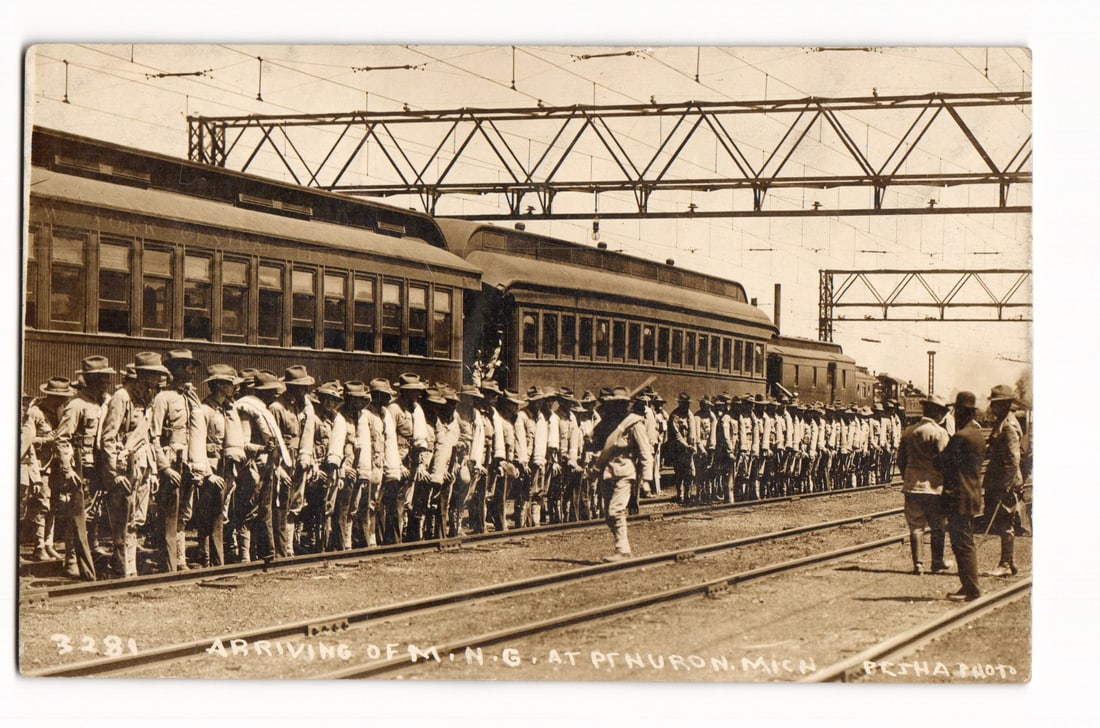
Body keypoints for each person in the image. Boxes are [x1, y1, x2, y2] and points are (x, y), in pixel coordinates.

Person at [98, 354, 166, 576]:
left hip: (144, 464)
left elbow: (148, 437)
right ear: (145, 375)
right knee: (123, 520)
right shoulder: (122, 397)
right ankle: (123, 568)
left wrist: (154, 471)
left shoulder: (147, 398)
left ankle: (131, 568)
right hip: (125, 466)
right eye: (156, 375)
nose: (159, 380)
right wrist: (114, 472)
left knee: (138, 518)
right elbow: (108, 438)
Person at [54, 356, 117, 580]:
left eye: (107, 380)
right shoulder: (77, 404)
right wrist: (67, 469)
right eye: (101, 380)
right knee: (77, 513)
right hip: (82, 467)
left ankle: (88, 554)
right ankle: (71, 559)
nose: (106, 384)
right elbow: (62, 439)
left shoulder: (104, 403)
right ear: (90, 380)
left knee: (94, 514)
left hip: (100, 466)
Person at [149, 349, 204, 571]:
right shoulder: (163, 398)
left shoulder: (190, 397)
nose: (191, 371)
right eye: (187, 366)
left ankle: (179, 559)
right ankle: (168, 561)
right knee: (169, 512)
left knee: (184, 512)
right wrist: (163, 466)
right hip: (171, 461)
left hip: (187, 461)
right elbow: (154, 435)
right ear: (175, 369)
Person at [934, 391, 987, 601]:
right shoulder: (977, 435)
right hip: (971, 493)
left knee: (962, 543)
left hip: (959, 497)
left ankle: (972, 588)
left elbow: (941, 462)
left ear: (959, 412)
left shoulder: (960, 437)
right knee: (965, 541)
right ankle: (967, 586)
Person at [190, 364, 244, 568]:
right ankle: (209, 558)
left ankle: (213, 559)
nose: (234, 388)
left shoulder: (227, 409)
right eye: (231, 384)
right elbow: (197, 442)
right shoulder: (204, 410)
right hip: (211, 470)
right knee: (209, 516)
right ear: (221, 386)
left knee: (218, 515)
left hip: (224, 468)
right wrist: (206, 472)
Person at [593, 387, 653, 561]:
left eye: (620, 404)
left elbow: (645, 452)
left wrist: (646, 479)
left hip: (625, 471)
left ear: (626, 405)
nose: (617, 407)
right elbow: (598, 443)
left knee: (616, 510)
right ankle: (622, 547)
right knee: (608, 515)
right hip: (607, 471)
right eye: (614, 403)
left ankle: (622, 549)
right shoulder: (608, 423)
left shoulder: (634, 424)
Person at [897, 393, 952, 575]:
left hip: (912, 486)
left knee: (916, 526)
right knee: (938, 526)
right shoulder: (939, 432)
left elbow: (901, 460)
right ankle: (937, 562)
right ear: (937, 413)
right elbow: (945, 461)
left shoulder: (909, 431)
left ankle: (918, 564)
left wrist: (909, 475)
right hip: (934, 487)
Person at [22, 378, 73, 562]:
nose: (62, 401)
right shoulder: (35, 412)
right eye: (59, 397)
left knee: (53, 505)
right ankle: (38, 546)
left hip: (56, 465)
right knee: (41, 505)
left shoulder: (61, 412)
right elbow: (26, 440)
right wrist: (45, 440)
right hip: (40, 466)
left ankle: (49, 544)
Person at [982, 384, 1025, 577]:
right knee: (1003, 522)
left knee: (1004, 522)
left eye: (996, 404)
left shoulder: (1008, 427)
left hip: (1005, 483)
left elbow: (1013, 459)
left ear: (1006, 405)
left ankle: (1005, 564)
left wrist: (1006, 486)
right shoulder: (1002, 423)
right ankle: (1009, 561)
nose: (992, 408)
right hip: (1000, 481)